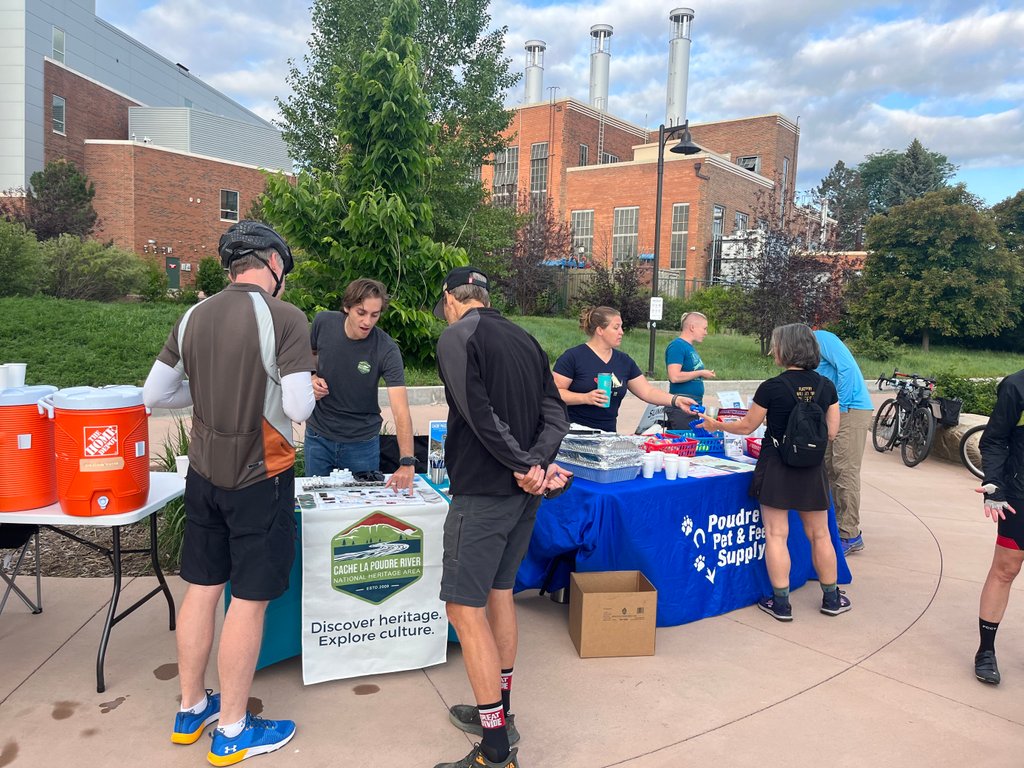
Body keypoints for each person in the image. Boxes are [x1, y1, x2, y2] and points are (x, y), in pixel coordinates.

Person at [143, 221, 315, 765]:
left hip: (204, 474)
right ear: (271, 262)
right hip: (259, 478)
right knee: (249, 599)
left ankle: (192, 706)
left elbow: (155, 393)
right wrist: (306, 383)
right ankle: (235, 728)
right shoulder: (285, 317)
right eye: (281, 266)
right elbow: (297, 409)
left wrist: (215, 383)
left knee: (202, 586)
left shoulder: (194, 314)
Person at [433, 266, 573, 768]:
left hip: (484, 493)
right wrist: (534, 464)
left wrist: (522, 465)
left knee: (464, 610)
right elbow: (556, 413)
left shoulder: (457, 335)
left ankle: (495, 749)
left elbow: (477, 412)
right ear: (486, 295)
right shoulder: (525, 338)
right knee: (498, 595)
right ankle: (500, 712)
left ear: (451, 298)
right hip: (522, 494)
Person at [697, 323, 851, 621]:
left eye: (775, 345)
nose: (772, 350)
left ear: (785, 350)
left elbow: (746, 427)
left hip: (777, 465)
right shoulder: (826, 387)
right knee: (820, 535)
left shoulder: (772, 387)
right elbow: (831, 432)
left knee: (776, 535)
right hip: (812, 467)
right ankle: (832, 598)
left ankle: (781, 604)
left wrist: (716, 425)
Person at [305, 278, 415, 494]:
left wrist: (407, 462)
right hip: (319, 438)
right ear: (347, 307)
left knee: (361, 517)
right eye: (361, 312)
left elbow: (401, 411)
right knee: (315, 510)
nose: (368, 321)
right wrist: (311, 376)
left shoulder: (387, 349)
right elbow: (311, 353)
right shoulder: (323, 322)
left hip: (362, 444)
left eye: (375, 315)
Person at [552, 306, 696, 432]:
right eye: (616, 327)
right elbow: (554, 393)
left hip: (608, 435)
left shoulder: (624, 361)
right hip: (574, 433)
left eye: (621, 327)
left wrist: (676, 400)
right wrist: (585, 398)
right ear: (600, 330)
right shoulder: (573, 357)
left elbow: (648, 391)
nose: (621, 332)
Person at [973, 368, 1024, 685]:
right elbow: (993, 440)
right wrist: (994, 483)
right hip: (1020, 496)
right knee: (1005, 569)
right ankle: (986, 651)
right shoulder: (1016, 386)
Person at [814, 329, 874, 555]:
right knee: (828, 468)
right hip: (834, 411)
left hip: (850, 409)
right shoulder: (806, 350)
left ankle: (849, 533)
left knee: (844, 469)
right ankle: (833, 526)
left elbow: (847, 368)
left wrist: (839, 408)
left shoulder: (821, 338)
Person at [665, 311, 715, 429]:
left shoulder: (689, 347)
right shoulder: (677, 346)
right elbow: (674, 376)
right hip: (681, 407)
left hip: (694, 405)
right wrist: (701, 372)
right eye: (704, 328)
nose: (706, 333)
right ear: (692, 327)